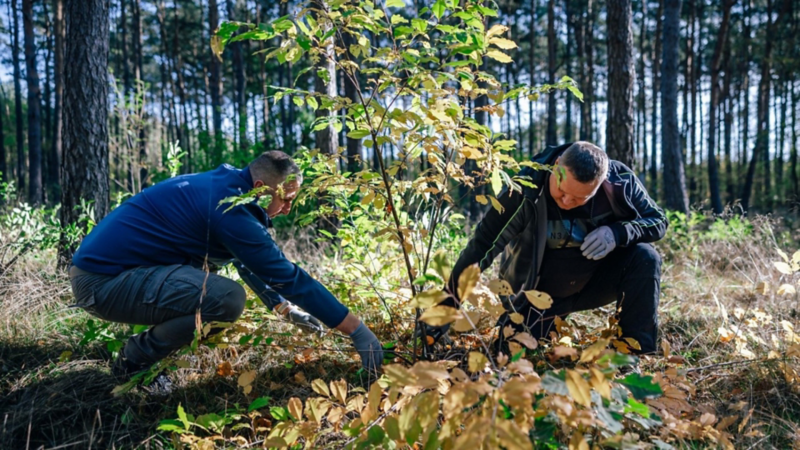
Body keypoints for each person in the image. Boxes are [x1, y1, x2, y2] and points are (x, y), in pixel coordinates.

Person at [69, 151, 383, 392]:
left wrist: (284, 308)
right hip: (102, 283)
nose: (287, 209)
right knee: (225, 300)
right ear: (261, 189)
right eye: (285, 199)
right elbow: (285, 275)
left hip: (112, 274)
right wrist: (356, 329)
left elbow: (245, 260)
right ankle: (133, 361)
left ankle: (140, 357)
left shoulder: (230, 186)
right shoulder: (229, 208)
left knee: (219, 295)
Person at [430, 141, 667, 354]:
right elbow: (483, 245)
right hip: (536, 294)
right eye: (562, 191)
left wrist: (618, 232)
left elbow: (657, 220)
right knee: (508, 351)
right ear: (555, 166)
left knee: (645, 257)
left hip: (595, 281)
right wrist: (445, 309)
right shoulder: (526, 186)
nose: (566, 202)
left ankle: (634, 353)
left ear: (598, 185)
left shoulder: (620, 182)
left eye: (579, 198)